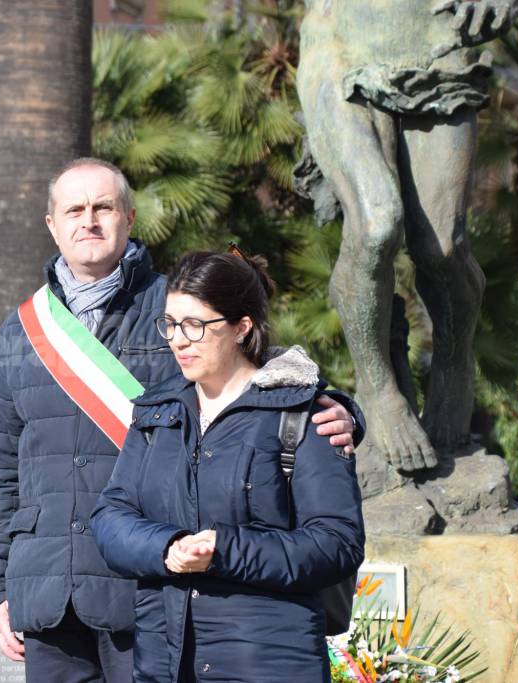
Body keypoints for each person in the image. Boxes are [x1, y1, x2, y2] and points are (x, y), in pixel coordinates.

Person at [0, 158, 361, 682]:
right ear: (52, 225)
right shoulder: (22, 330)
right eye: (74, 209)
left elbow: (262, 373)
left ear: (129, 218)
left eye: (103, 207)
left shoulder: (177, 305)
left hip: (146, 592)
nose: (88, 220)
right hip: (46, 591)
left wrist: (342, 411)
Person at [92, 250, 365, 682]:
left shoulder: (303, 415)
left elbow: (337, 543)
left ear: (242, 328)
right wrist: (167, 547)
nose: (178, 340)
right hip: (166, 663)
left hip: (269, 662)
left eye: (196, 325)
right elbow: (109, 517)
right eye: (170, 323)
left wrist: (223, 551)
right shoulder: (157, 413)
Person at [296, 0, 518, 470]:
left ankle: (454, 361)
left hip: (438, 49)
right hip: (341, 46)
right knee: (376, 223)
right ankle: (378, 388)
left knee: (442, 249)